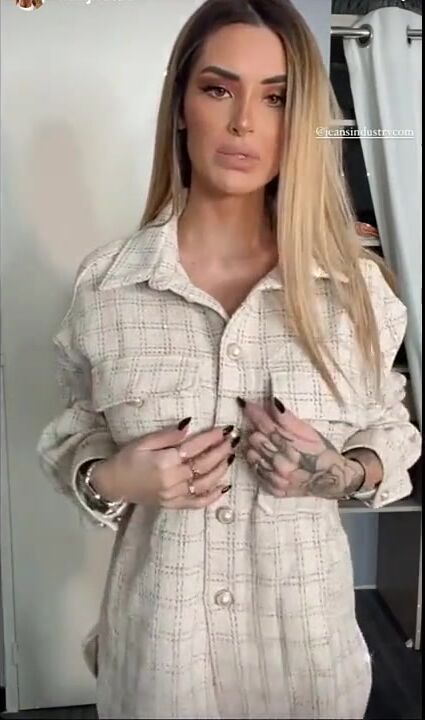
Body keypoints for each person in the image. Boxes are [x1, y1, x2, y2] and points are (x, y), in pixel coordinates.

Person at [37, 0, 422, 718]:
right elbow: (75, 432)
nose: (244, 121)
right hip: (160, 663)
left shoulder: (354, 290)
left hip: (304, 664)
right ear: (181, 107)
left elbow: (390, 428)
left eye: (276, 99)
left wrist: (338, 471)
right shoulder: (108, 285)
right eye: (218, 89)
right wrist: (113, 476)